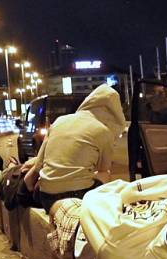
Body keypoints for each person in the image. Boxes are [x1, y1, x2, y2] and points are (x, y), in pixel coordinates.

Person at [24, 83, 126, 215]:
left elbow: (38, 165)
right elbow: (103, 169)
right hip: (79, 197)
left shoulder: (60, 121)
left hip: (46, 198)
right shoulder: (103, 131)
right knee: (105, 174)